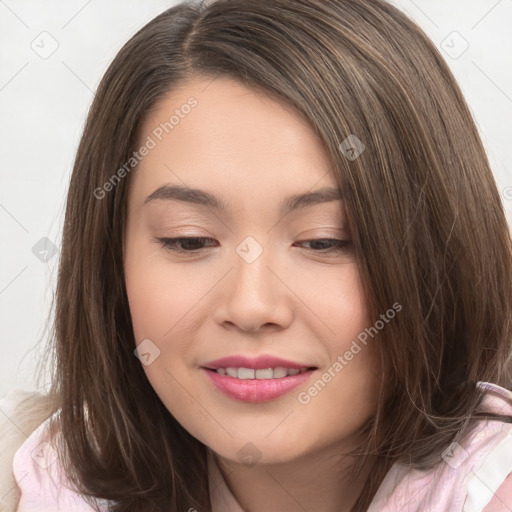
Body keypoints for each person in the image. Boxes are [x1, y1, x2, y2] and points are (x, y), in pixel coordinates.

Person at [1, 0, 511, 511]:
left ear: (439, 260)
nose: (250, 306)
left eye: (323, 241)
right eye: (189, 240)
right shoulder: (51, 481)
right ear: (113, 264)